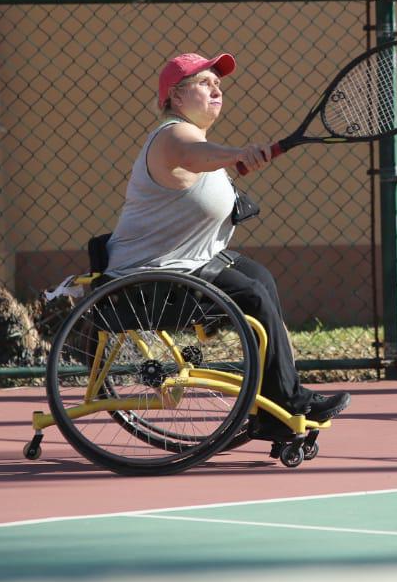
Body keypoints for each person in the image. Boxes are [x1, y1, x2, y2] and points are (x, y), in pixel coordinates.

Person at [106, 51, 351, 440]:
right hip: (148, 281)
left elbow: (202, 161)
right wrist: (237, 153)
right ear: (174, 97)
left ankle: (278, 404)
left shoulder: (197, 142)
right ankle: (285, 401)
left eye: (218, 85)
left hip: (182, 267)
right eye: (205, 83)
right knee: (252, 293)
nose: (216, 89)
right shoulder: (172, 134)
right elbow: (192, 154)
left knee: (259, 278)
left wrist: (232, 161)